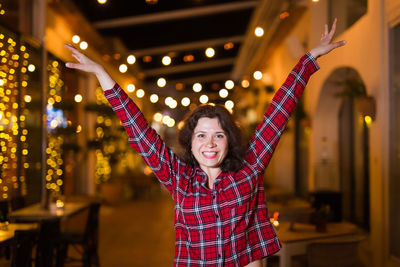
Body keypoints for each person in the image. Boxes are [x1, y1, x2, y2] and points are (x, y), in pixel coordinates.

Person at [65, 18, 346, 267]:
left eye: (218, 135)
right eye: (202, 135)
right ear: (191, 141)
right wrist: (103, 76)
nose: (210, 143)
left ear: (229, 141)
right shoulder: (179, 178)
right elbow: (140, 132)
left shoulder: (249, 169)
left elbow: (279, 113)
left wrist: (308, 60)